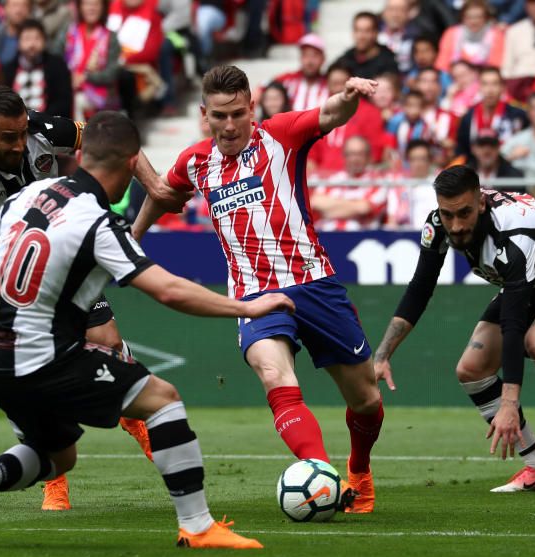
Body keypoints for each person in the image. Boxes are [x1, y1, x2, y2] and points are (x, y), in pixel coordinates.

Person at [0, 111, 292, 550]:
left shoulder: (31, 193)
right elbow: (169, 291)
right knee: (164, 400)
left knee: (59, 457)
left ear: (82, 156)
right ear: (133, 164)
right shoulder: (98, 223)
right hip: (43, 358)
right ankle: (198, 526)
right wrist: (248, 306)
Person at [133, 65, 386, 514]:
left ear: (252, 108)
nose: (229, 126)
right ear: (203, 115)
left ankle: (359, 471)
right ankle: (323, 476)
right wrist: (132, 239)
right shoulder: (195, 161)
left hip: (314, 282)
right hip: (253, 296)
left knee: (366, 399)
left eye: (237, 114)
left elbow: (330, 113)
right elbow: (162, 192)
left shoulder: (281, 135)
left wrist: (350, 94)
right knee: (275, 376)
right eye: (219, 116)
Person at [0, 86, 182, 510]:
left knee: (105, 340)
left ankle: (138, 423)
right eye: (8, 139)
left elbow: (109, 138)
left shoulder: (43, 128)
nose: (19, 145)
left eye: (22, 134)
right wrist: (9, 272)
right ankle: (55, 476)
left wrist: (155, 185)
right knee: (26, 381)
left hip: (59, 253)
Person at [373, 165, 535, 493]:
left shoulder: (513, 233)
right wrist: (383, 354)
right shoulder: (437, 225)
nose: (456, 226)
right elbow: (420, 288)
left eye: (465, 213)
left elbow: (513, 325)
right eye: (447, 215)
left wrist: (509, 404)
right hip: (532, 281)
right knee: (471, 369)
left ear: (481, 202)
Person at [310, 135, 393, 231]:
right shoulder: (333, 180)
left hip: (360, 238)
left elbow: (364, 208)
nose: (355, 159)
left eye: (360, 154)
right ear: (344, 156)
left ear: (369, 157)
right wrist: (354, 206)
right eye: (351, 154)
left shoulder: (378, 182)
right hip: (328, 237)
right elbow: (315, 202)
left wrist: (328, 209)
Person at [62, 0, 123, 119]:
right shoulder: (69, 33)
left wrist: (86, 77)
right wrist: (69, 77)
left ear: (103, 7)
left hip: (101, 96)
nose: (91, 8)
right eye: (87, 4)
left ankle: (81, 135)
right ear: (80, 7)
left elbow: (112, 73)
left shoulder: (111, 37)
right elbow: (55, 60)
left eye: (96, 4)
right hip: (70, 89)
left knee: (79, 100)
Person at [453, 67, 529, 160]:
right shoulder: (468, 117)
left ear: (502, 87)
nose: (490, 90)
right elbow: (462, 150)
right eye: (485, 84)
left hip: (509, 169)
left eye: (495, 84)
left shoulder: (518, 115)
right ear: (479, 87)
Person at [4, 19, 74, 117]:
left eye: (37, 38)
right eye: (27, 39)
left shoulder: (57, 66)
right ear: (18, 43)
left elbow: (63, 101)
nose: (32, 44)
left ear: (44, 41)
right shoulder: (8, 70)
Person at [435, 0, 505, 72]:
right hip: (454, 79)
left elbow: (497, 64)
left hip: (485, 80)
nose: (473, 21)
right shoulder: (451, 33)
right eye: (469, 17)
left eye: (478, 17)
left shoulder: (496, 35)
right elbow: (442, 64)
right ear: (462, 18)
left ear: (486, 18)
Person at [268, 33, 328, 112]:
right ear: (300, 58)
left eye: (315, 55)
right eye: (305, 55)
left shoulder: (330, 84)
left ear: (323, 59)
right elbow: (261, 89)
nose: (309, 61)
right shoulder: (287, 79)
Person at [337, 11, 400, 80]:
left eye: (367, 31)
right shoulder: (345, 59)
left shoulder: (389, 61)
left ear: (376, 33)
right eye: (357, 30)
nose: (361, 36)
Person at [0, 0, 32, 67]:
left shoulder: (36, 38)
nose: (19, 10)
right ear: (5, 8)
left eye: (24, 6)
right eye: (15, 5)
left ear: (30, 10)